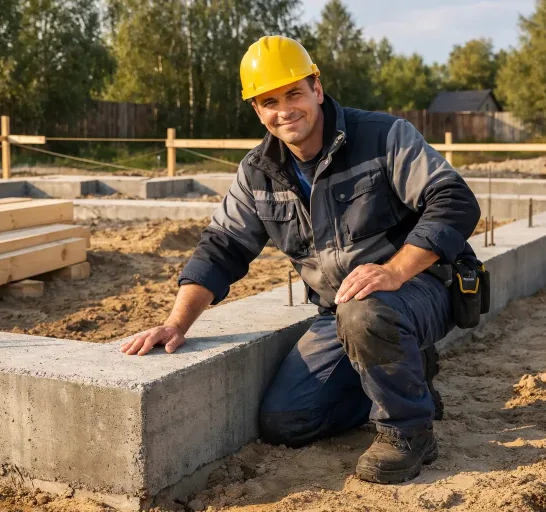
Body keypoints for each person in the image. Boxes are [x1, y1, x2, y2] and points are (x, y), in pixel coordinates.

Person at [120, 35, 481, 484]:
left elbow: (455, 200)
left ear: (317, 88)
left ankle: (408, 432)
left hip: (420, 288)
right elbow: (223, 246)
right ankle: (411, 378)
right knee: (288, 422)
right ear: (257, 110)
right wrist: (176, 324)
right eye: (269, 101)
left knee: (368, 314)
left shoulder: (383, 136)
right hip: (341, 310)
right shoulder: (258, 171)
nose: (285, 110)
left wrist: (394, 270)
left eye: (294, 93)